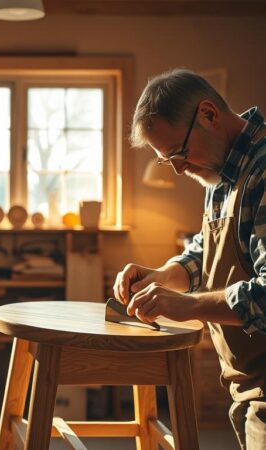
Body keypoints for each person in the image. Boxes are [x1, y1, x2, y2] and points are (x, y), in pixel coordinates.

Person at [113, 68, 266, 449]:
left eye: (178, 153)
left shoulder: (262, 171)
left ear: (209, 115)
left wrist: (187, 306)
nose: (178, 168)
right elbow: (206, 251)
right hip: (247, 383)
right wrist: (163, 276)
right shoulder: (219, 175)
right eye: (168, 160)